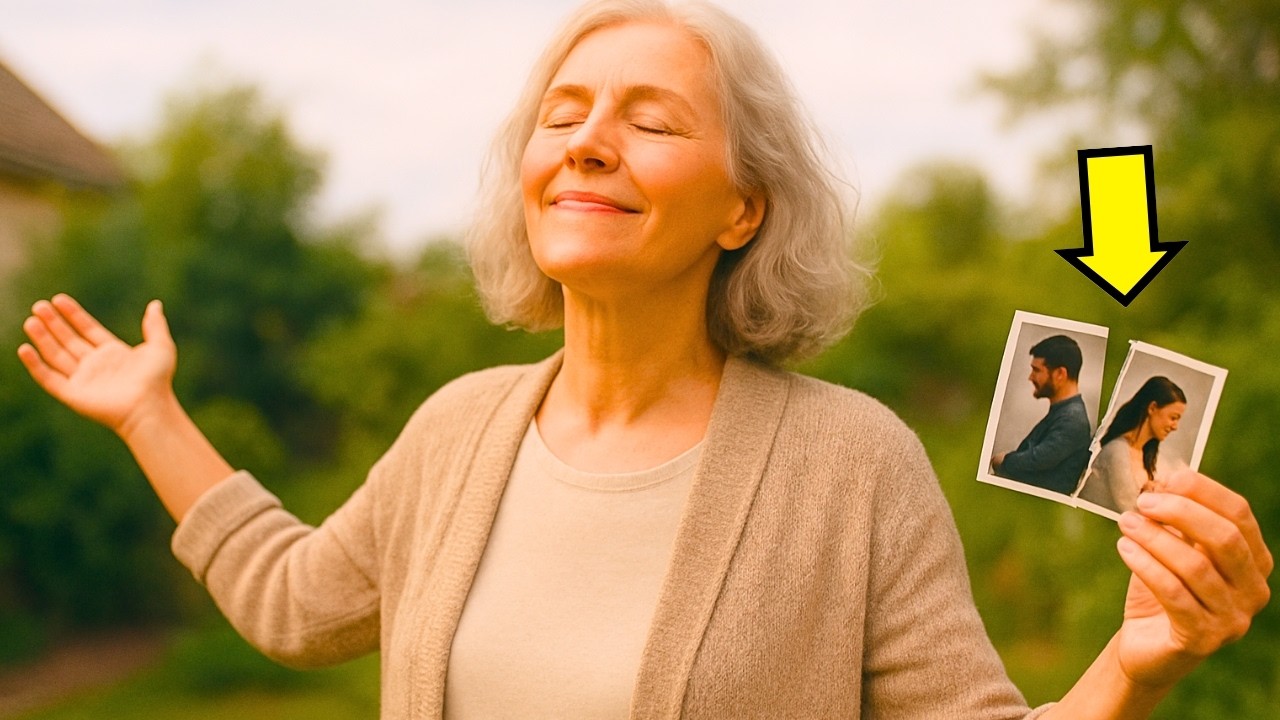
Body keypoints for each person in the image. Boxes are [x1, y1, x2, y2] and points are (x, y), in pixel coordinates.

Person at [16, 1, 1271, 718]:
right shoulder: (460, 428)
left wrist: (1131, 662)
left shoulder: (851, 463)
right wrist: (146, 416)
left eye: (650, 119)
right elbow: (293, 604)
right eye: (562, 115)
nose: (588, 142)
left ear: (743, 208)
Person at [992, 335, 1093, 494]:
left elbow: (1036, 461)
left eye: (1037, 370)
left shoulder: (1072, 420)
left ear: (1060, 374)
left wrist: (1004, 460)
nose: (1030, 377)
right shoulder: (1064, 413)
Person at [1078, 377, 1187, 514]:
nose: (1175, 427)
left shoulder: (1145, 456)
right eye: (1173, 418)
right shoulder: (1116, 451)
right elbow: (1130, 511)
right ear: (1152, 408)